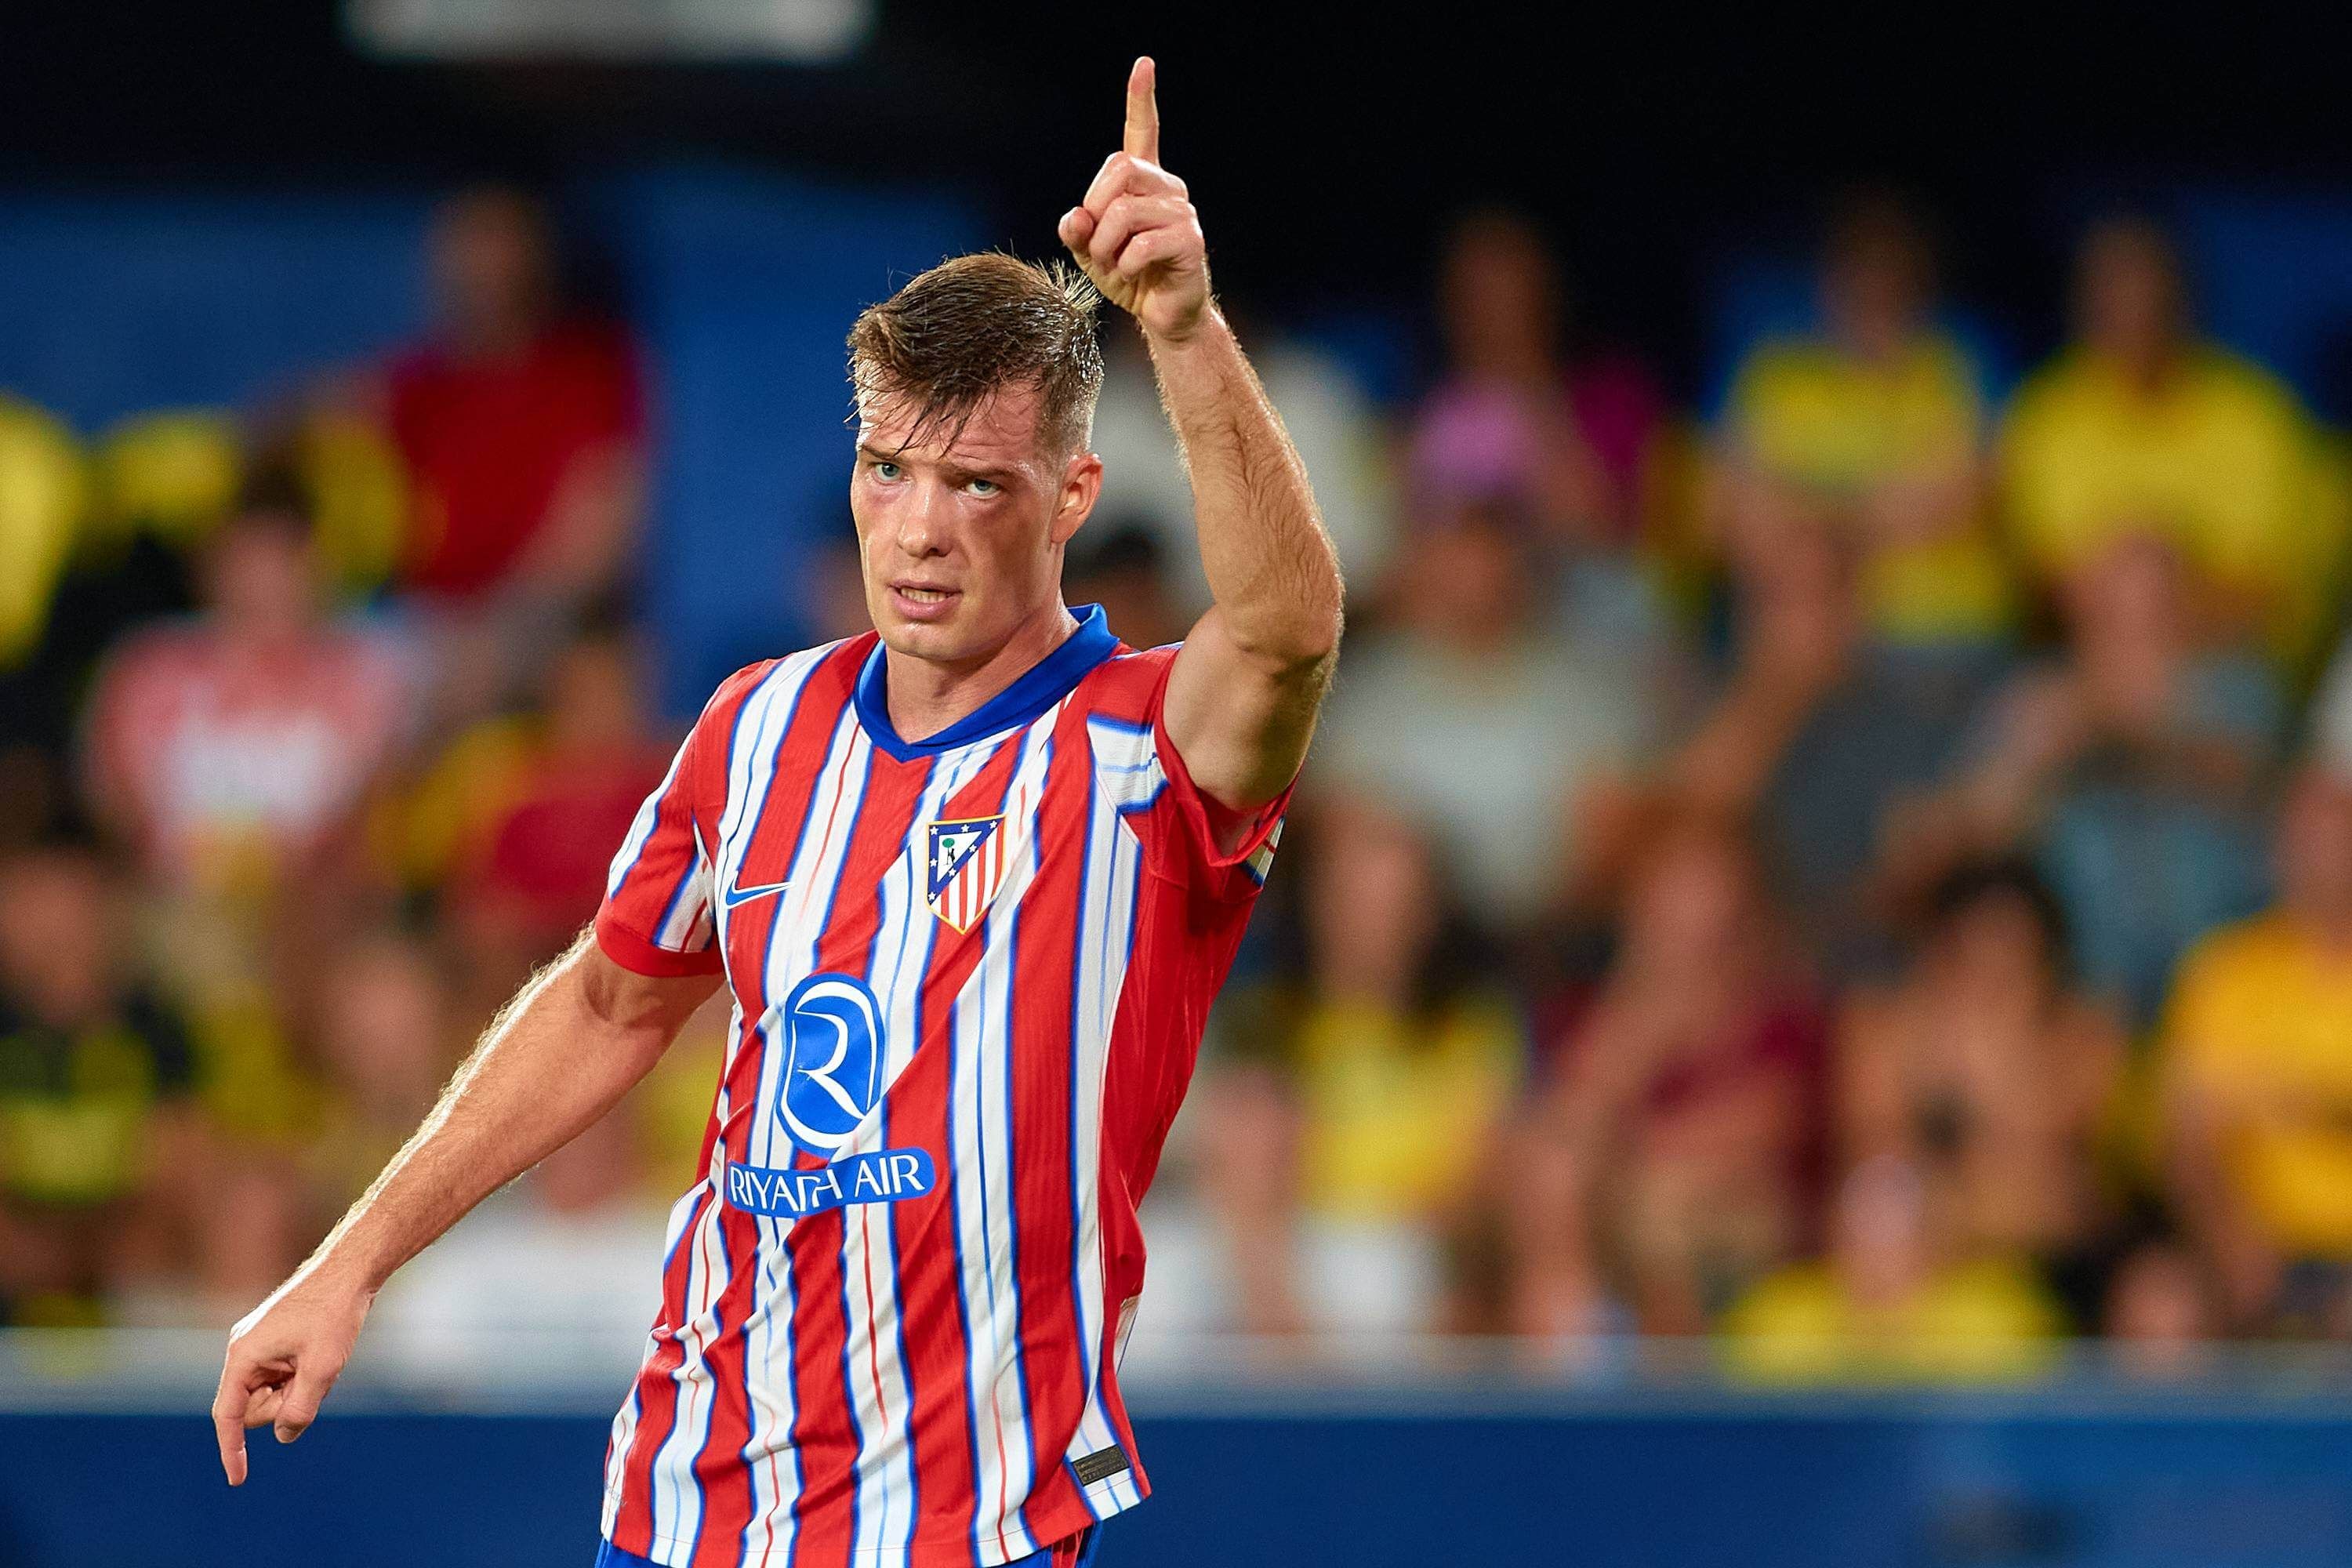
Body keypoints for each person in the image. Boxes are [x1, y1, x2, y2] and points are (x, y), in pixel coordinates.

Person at [212, 60, 1343, 1568]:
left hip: (972, 1524)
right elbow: (612, 998)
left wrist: (1184, 331)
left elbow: (1284, 630)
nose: (921, 529)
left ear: (1074, 494)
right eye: (888, 472)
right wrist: (349, 1263)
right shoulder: (758, 726)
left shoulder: (1141, 741)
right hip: (693, 1499)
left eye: (976, 485)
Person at [1999, 218, 2333, 661]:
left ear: (2182, 302)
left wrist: (2164, 606)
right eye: (2110, 297)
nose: (2130, 312)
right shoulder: (2047, 411)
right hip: (2088, 657)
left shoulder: (2254, 413)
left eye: (2146, 296)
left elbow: (2270, 594)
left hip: (2224, 660)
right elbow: (2042, 586)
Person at [1714, 198, 2011, 650]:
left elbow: (1963, 496)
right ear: (1828, 283)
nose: (1875, 290)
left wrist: (1812, 509)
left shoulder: (1955, 371)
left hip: (1941, 641)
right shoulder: (1777, 377)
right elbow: (1736, 510)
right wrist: (1884, 509)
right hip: (1808, 640)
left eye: (1892, 274)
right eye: (1859, 272)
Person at [2158, 765, 2352, 1334]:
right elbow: (2187, 1137)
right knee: (2160, 1306)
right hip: (2256, 1251)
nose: (2323, 854)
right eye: (2305, 835)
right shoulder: (2222, 974)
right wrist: (2233, 1247)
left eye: (2339, 833)